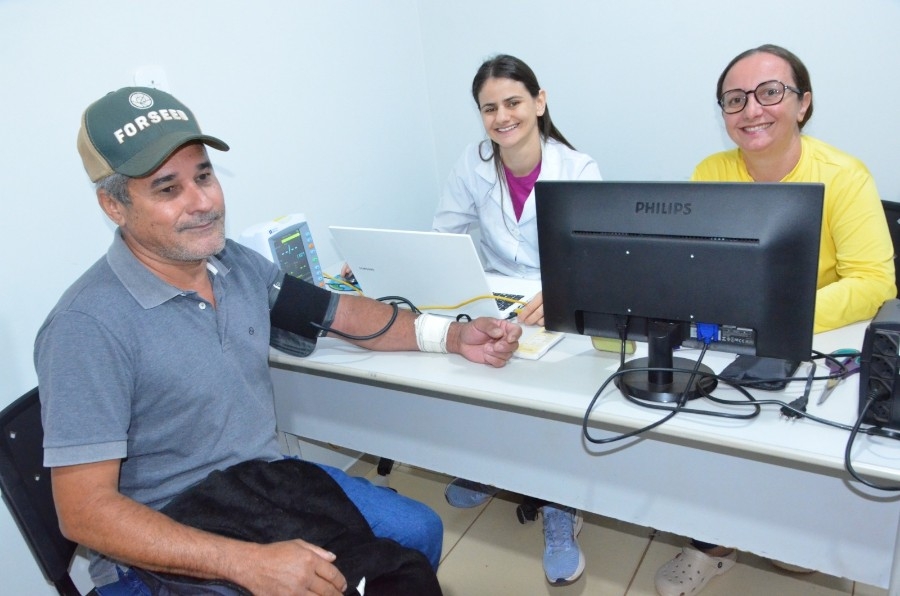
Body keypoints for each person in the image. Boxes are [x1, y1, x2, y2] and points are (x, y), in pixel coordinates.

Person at [35, 86, 523, 596]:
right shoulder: (86, 326)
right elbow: (85, 514)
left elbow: (341, 313)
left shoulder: (232, 266)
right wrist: (246, 563)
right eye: (167, 189)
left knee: (417, 531)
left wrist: (450, 335)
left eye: (204, 175)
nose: (202, 202)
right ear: (114, 205)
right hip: (167, 536)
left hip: (262, 485)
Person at [654, 44, 896, 596]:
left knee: (793, 445)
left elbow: (876, 282)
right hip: (728, 332)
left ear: (803, 104)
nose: (752, 110)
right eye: (734, 99)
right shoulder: (710, 171)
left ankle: (793, 533)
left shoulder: (845, 175)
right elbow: (695, 262)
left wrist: (781, 315)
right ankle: (712, 544)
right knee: (702, 427)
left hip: (819, 339)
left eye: (770, 93)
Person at [432, 54, 602, 586]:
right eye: (489, 108)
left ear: (538, 102)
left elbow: (598, 256)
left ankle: (559, 504)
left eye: (512, 102)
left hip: (563, 306)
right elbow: (446, 231)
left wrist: (563, 290)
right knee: (480, 375)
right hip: (497, 294)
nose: (502, 117)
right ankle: (492, 468)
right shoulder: (473, 163)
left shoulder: (578, 169)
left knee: (550, 399)